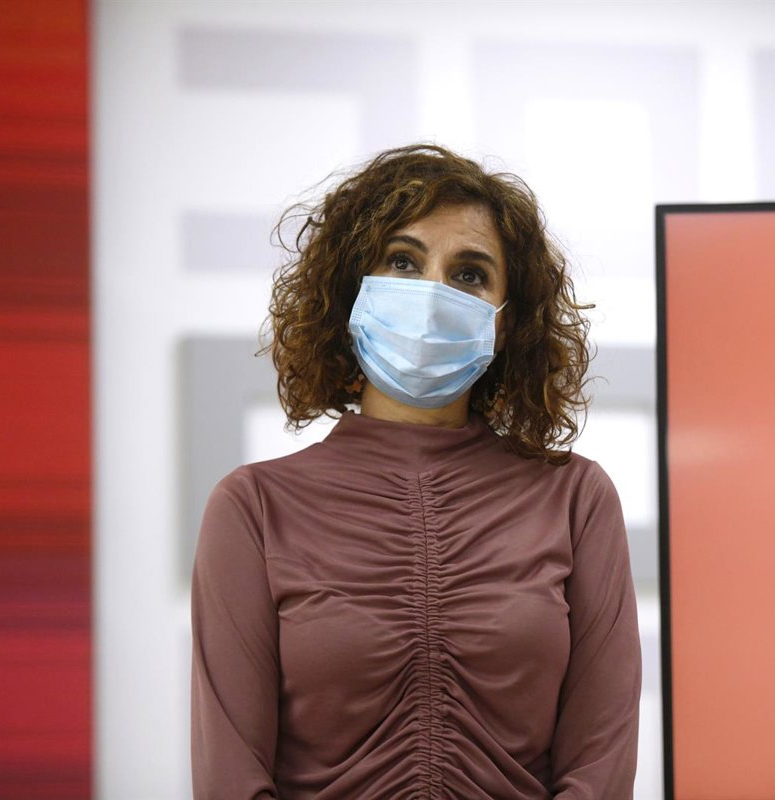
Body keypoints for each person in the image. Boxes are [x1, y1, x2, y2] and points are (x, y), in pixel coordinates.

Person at [191, 143, 641, 799]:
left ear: (506, 323)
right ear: (352, 292)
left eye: (470, 274)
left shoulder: (576, 499)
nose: (432, 294)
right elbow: (230, 778)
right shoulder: (253, 508)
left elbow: (601, 767)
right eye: (402, 261)